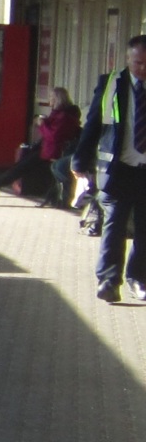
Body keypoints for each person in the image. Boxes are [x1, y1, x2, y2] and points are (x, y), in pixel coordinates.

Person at [75, 36, 146, 302]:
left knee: (144, 229)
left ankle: (138, 278)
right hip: (118, 169)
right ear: (128, 59)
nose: (143, 69)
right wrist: (80, 160)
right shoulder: (111, 85)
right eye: (138, 62)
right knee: (114, 224)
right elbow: (93, 124)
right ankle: (108, 280)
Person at [0, 87, 81, 202]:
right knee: (21, 165)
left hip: (52, 152)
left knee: (21, 166)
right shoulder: (62, 114)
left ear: (58, 99)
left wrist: (42, 124)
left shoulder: (64, 116)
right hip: (48, 149)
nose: (49, 100)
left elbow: (53, 136)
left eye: (51, 97)